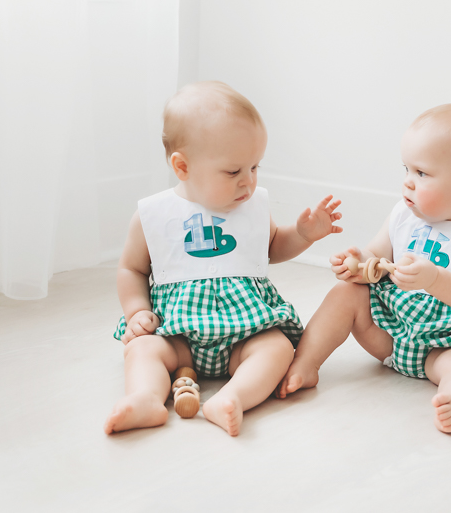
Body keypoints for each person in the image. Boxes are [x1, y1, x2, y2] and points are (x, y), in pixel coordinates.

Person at [104, 81, 342, 436]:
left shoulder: (252, 207)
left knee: (276, 348)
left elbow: (272, 248)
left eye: (255, 167)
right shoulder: (153, 215)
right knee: (142, 349)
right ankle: (146, 398)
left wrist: (304, 234)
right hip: (176, 333)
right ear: (182, 167)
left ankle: (232, 398)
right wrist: (137, 311)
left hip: (244, 330)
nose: (248, 182)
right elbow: (131, 268)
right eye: (233, 172)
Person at [277, 102, 451, 433]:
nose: (408, 183)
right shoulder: (403, 213)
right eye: (407, 170)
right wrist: (360, 264)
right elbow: (377, 256)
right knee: (345, 293)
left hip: (449, 343)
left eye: (422, 173)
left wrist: (434, 278)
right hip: (393, 335)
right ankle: (305, 362)